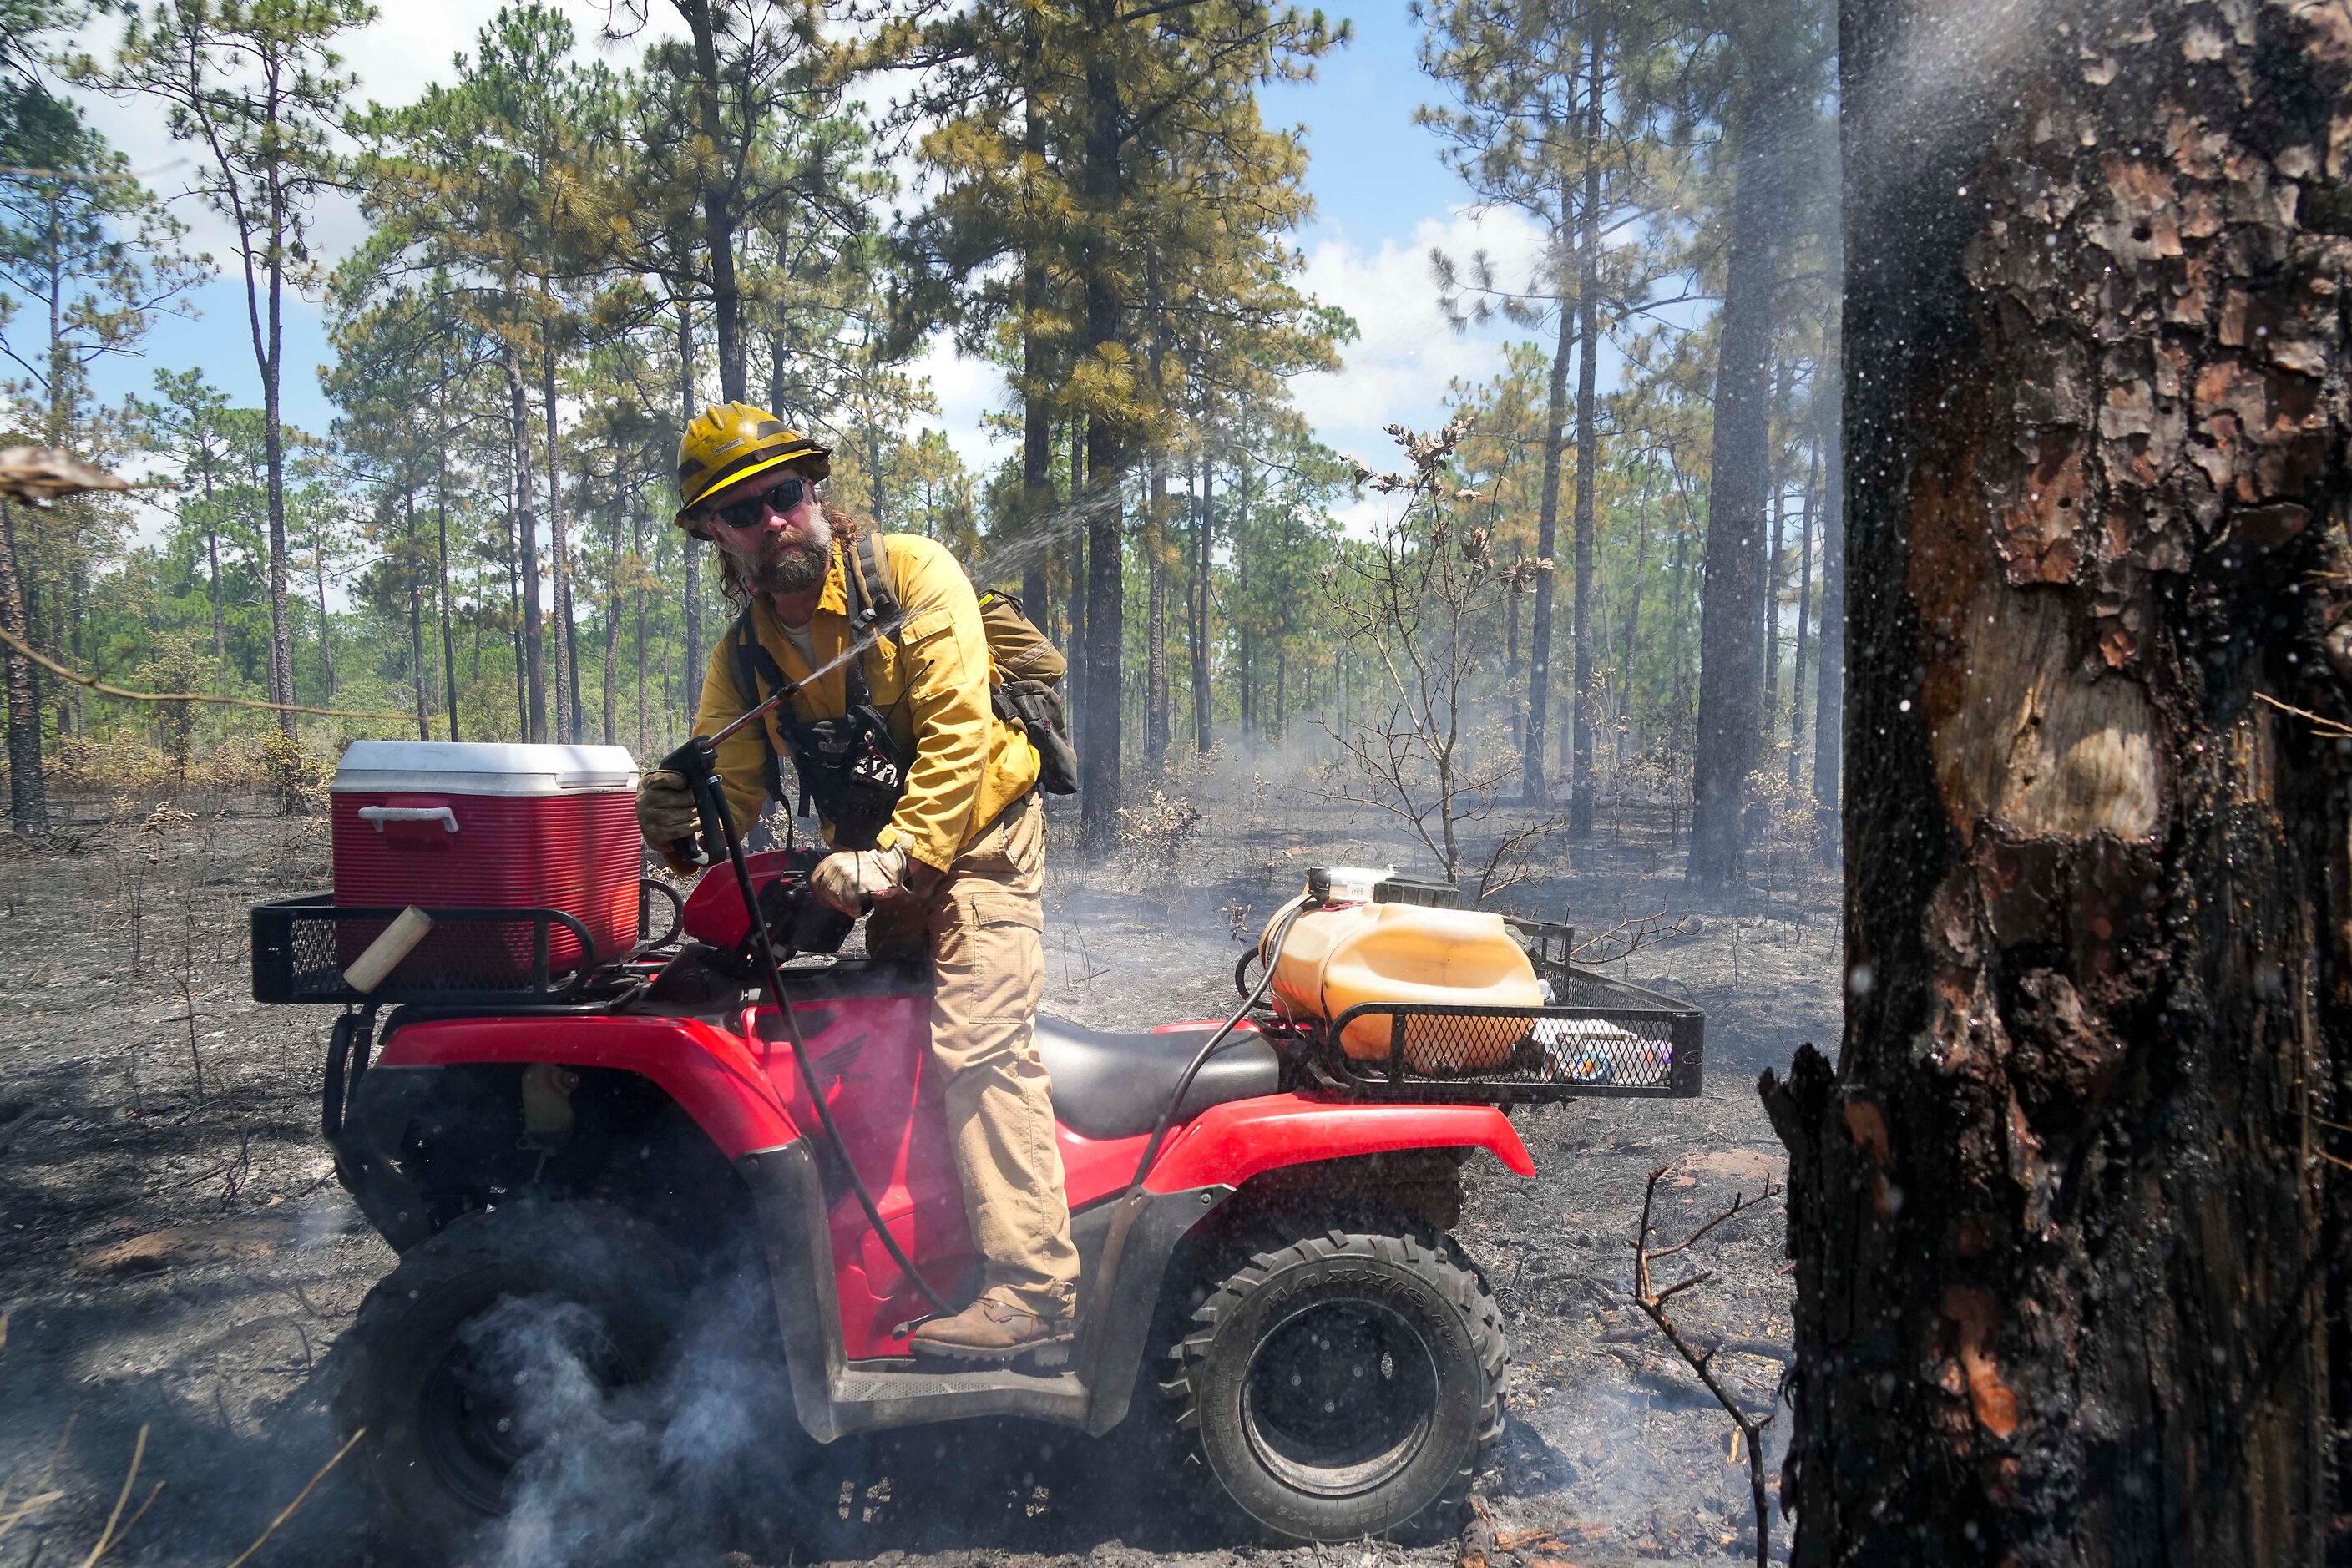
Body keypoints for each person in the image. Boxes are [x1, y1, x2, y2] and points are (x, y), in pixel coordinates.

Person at [636, 402, 1079, 1361]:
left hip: (984, 839)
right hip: (879, 867)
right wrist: (676, 829)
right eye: (743, 513)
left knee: (975, 1041)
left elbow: (962, 734)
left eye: (786, 496)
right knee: (890, 1040)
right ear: (715, 535)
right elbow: (735, 795)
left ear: (817, 496)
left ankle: (1035, 1293)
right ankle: (933, 1254)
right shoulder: (745, 654)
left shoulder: (915, 574)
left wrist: (898, 859)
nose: (774, 523)